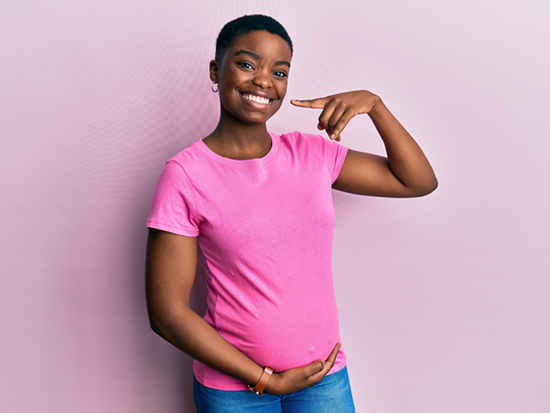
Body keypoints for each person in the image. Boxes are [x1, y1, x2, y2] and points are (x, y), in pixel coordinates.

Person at [145, 14, 437, 413]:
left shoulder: (311, 154)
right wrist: (265, 379)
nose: (264, 81)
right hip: (235, 392)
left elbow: (417, 181)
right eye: (247, 64)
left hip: (324, 379)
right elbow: (167, 313)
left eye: (279, 72)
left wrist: (375, 105)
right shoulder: (186, 175)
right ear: (216, 69)